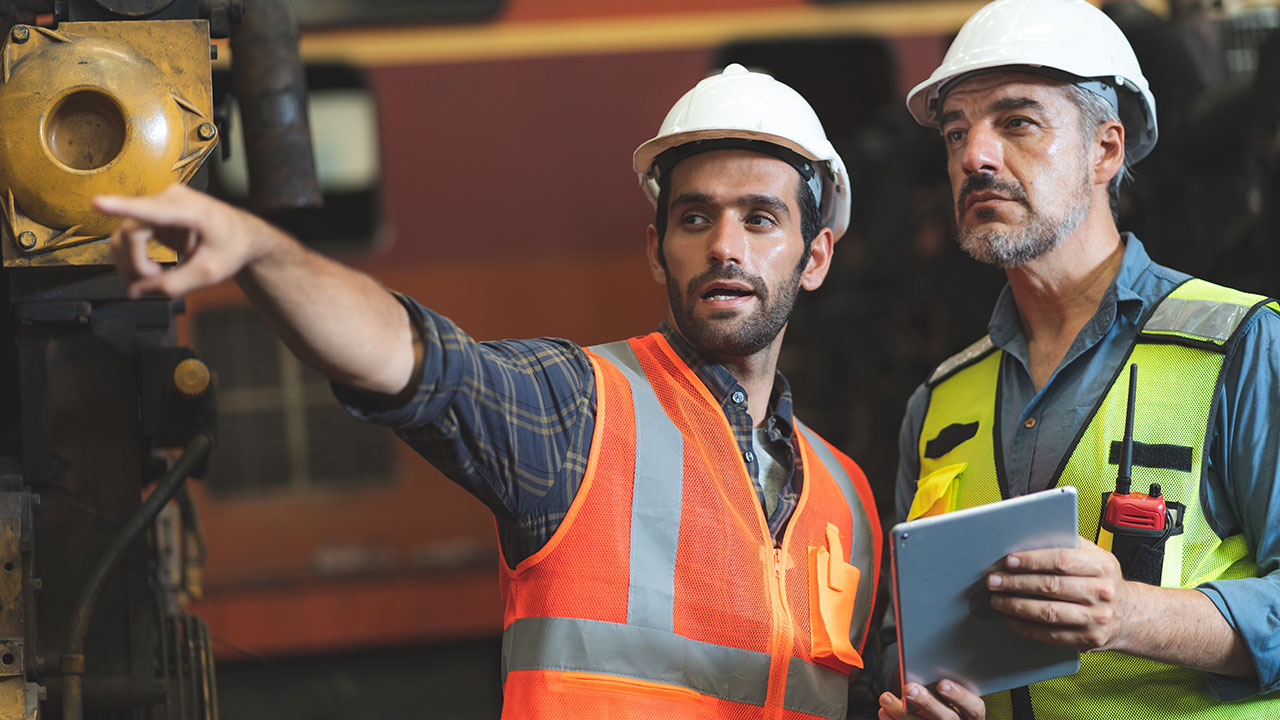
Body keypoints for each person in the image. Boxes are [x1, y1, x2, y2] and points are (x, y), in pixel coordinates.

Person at [98, 64, 881, 719]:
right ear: (657, 249)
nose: (723, 246)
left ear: (815, 258)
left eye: (760, 218)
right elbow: (410, 360)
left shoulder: (849, 501)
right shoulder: (579, 411)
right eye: (694, 217)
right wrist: (262, 253)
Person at [877, 0, 1280, 719]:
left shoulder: (1241, 347)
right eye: (956, 131)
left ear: (1106, 151)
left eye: (1017, 122)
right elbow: (900, 641)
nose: (975, 156)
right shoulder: (938, 405)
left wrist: (1132, 615)